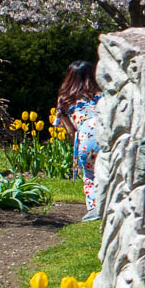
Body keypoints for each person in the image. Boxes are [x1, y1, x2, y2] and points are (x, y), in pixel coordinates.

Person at [55, 61, 104, 220]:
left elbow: (69, 130)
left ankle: (94, 210)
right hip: (106, 138)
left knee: (90, 176)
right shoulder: (101, 95)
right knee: (108, 172)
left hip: (86, 141)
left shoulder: (65, 99)